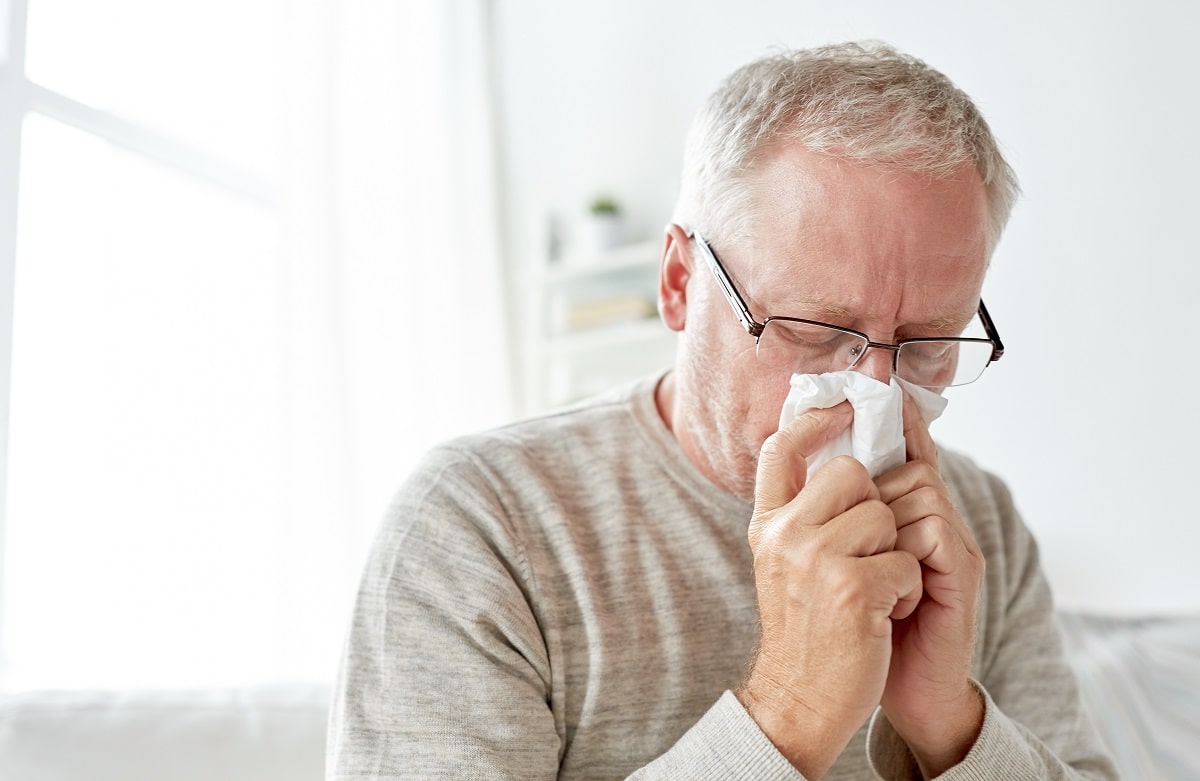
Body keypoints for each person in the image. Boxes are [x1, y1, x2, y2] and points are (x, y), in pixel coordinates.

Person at [327, 42, 1119, 780]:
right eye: (814, 330)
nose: (875, 388)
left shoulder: (977, 526)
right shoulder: (481, 526)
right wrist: (791, 712)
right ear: (678, 283)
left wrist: (954, 726)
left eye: (926, 343)